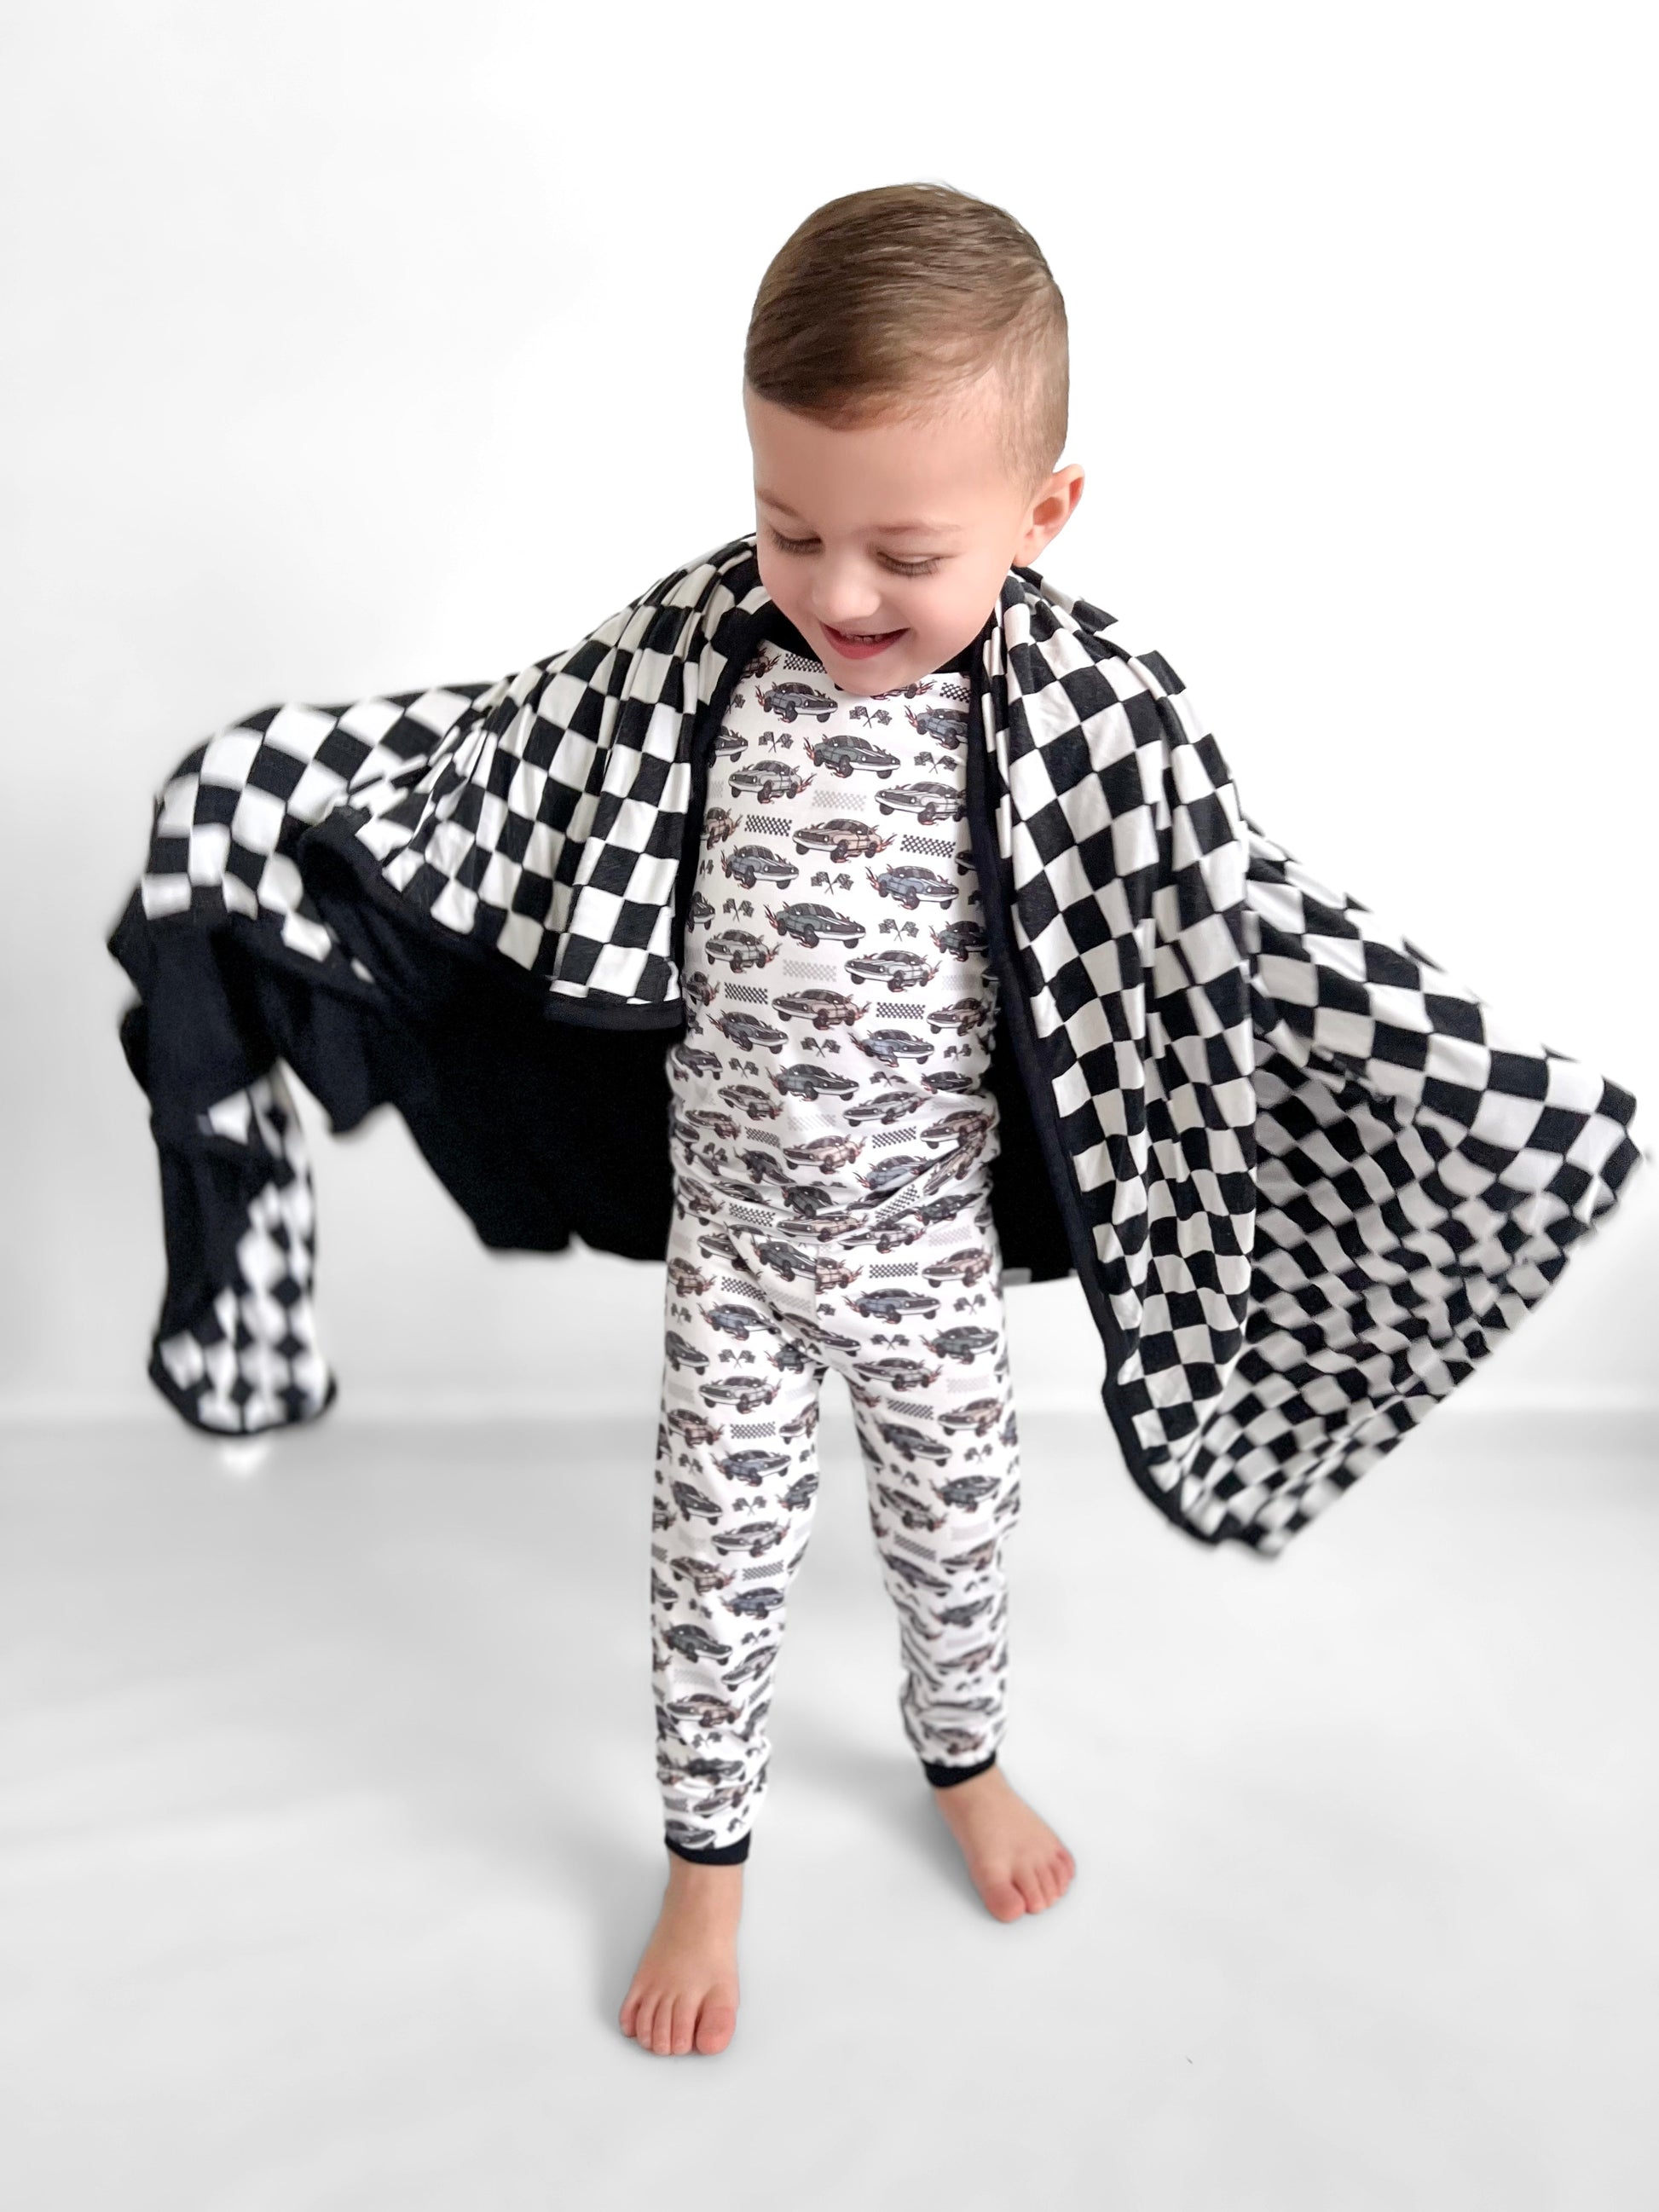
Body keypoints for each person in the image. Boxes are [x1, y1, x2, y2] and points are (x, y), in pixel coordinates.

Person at [104, 180, 1648, 2065]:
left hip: (926, 1250)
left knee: (957, 1534)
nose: (836, 595)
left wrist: (1491, 1089)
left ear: (1044, 513)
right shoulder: (692, 649)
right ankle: (706, 1864)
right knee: (712, 1561)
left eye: (905, 553)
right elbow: (488, 756)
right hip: (738, 1249)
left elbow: (1237, 913)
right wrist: (252, 807)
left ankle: (964, 1755)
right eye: (789, 528)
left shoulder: (1088, 710)